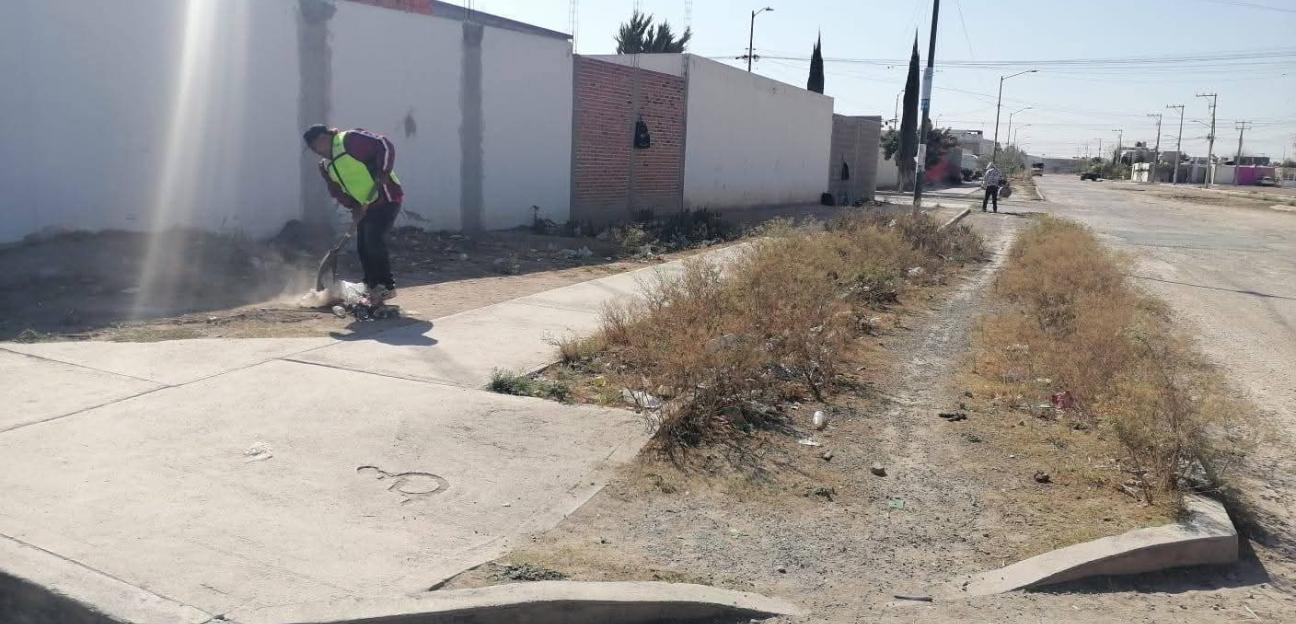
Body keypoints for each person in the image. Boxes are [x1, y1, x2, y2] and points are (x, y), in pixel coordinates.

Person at [303, 125, 402, 300]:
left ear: (324, 139)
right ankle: (371, 285)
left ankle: (386, 286)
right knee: (362, 245)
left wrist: (383, 171)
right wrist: (353, 206)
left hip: (386, 197)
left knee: (373, 239)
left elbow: (383, 144)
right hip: (364, 206)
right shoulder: (325, 166)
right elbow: (336, 190)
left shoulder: (350, 140)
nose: (315, 151)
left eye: (315, 145)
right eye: (311, 148)